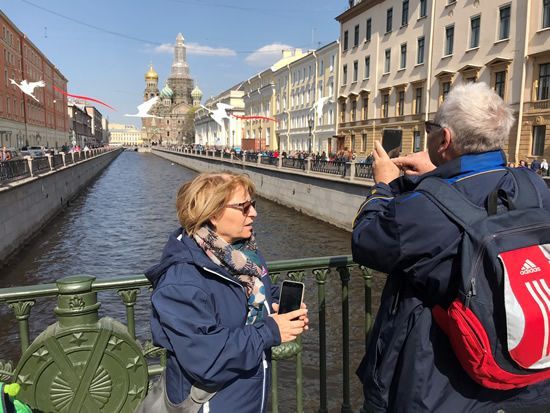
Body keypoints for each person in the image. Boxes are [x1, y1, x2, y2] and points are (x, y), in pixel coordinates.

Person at [352, 82, 550, 412]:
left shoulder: (427, 208)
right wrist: (439, 173)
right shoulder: (532, 185)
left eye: (431, 130)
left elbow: (367, 239)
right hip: (527, 371)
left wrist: (383, 185)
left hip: (442, 381)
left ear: (444, 139)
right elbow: (479, 191)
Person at [145, 171, 308, 412]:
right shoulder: (182, 279)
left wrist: (276, 304)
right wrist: (271, 330)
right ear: (212, 214)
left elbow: (253, 293)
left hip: (247, 398)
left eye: (252, 204)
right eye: (244, 207)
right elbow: (206, 358)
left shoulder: (241, 255)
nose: (254, 213)